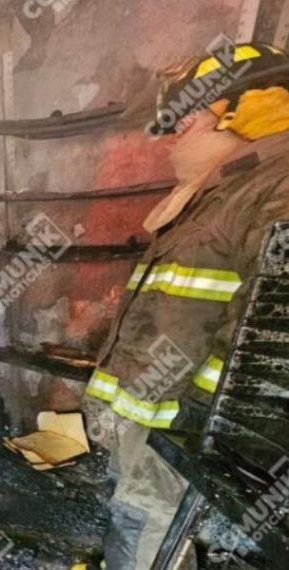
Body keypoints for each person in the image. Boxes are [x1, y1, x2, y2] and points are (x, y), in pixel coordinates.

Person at [87, 42, 289, 568]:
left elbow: (269, 342)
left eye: (189, 116)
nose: (174, 131)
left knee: (148, 532)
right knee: (139, 524)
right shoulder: (224, 189)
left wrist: (203, 431)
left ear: (243, 108)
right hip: (156, 421)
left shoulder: (276, 186)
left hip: (185, 431)